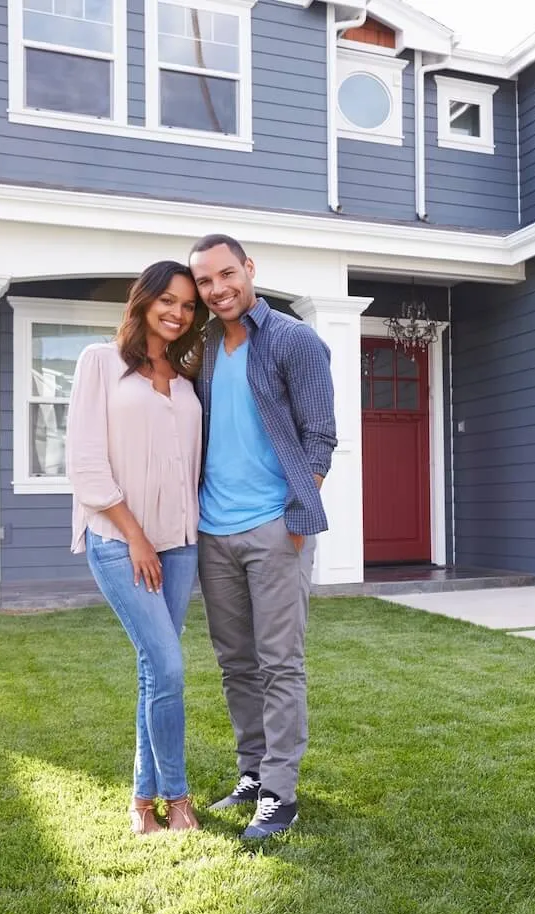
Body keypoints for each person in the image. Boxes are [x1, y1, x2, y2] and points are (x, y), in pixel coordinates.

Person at [188, 233, 336, 840]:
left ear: (249, 269)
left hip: (274, 529)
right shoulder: (202, 348)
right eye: (205, 281)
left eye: (227, 274)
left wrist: (295, 517)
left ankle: (280, 791)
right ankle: (251, 772)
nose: (218, 289)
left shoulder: (294, 340)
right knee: (235, 664)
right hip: (213, 531)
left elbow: (320, 436)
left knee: (280, 663)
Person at [66, 260, 208, 835]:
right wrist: (136, 536)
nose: (178, 313)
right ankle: (177, 799)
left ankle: (140, 803)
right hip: (121, 544)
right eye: (168, 301)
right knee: (168, 665)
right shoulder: (99, 363)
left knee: (156, 671)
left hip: (180, 545)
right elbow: (85, 463)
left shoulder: (186, 377)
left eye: (188, 305)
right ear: (144, 301)